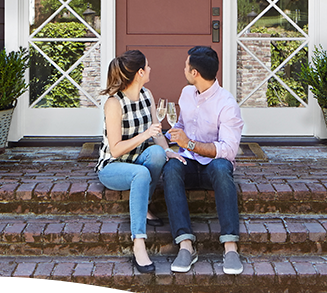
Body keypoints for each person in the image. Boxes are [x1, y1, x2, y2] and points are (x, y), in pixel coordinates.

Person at [163, 46, 244, 275]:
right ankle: (186, 244)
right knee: (171, 168)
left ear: (195, 72)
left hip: (212, 169)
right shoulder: (186, 94)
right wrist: (162, 138)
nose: (184, 69)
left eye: (187, 65)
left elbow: (228, 150)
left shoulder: (227, 104)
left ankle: (230, 248)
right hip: (189, 163)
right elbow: (180, 126)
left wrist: (189, 144)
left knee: (221, 168)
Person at [96, 49, 173, 273]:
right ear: (140, 72)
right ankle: (139, 242)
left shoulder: (146, 94)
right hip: (112, 166)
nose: (151, 69)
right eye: (147, 66)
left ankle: (144, 205)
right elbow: (116, 149)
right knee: (141, 173)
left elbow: (157, 132)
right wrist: (146, 135)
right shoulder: (114, 103)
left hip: (138, 159)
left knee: (157, 154)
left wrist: (168, 152)